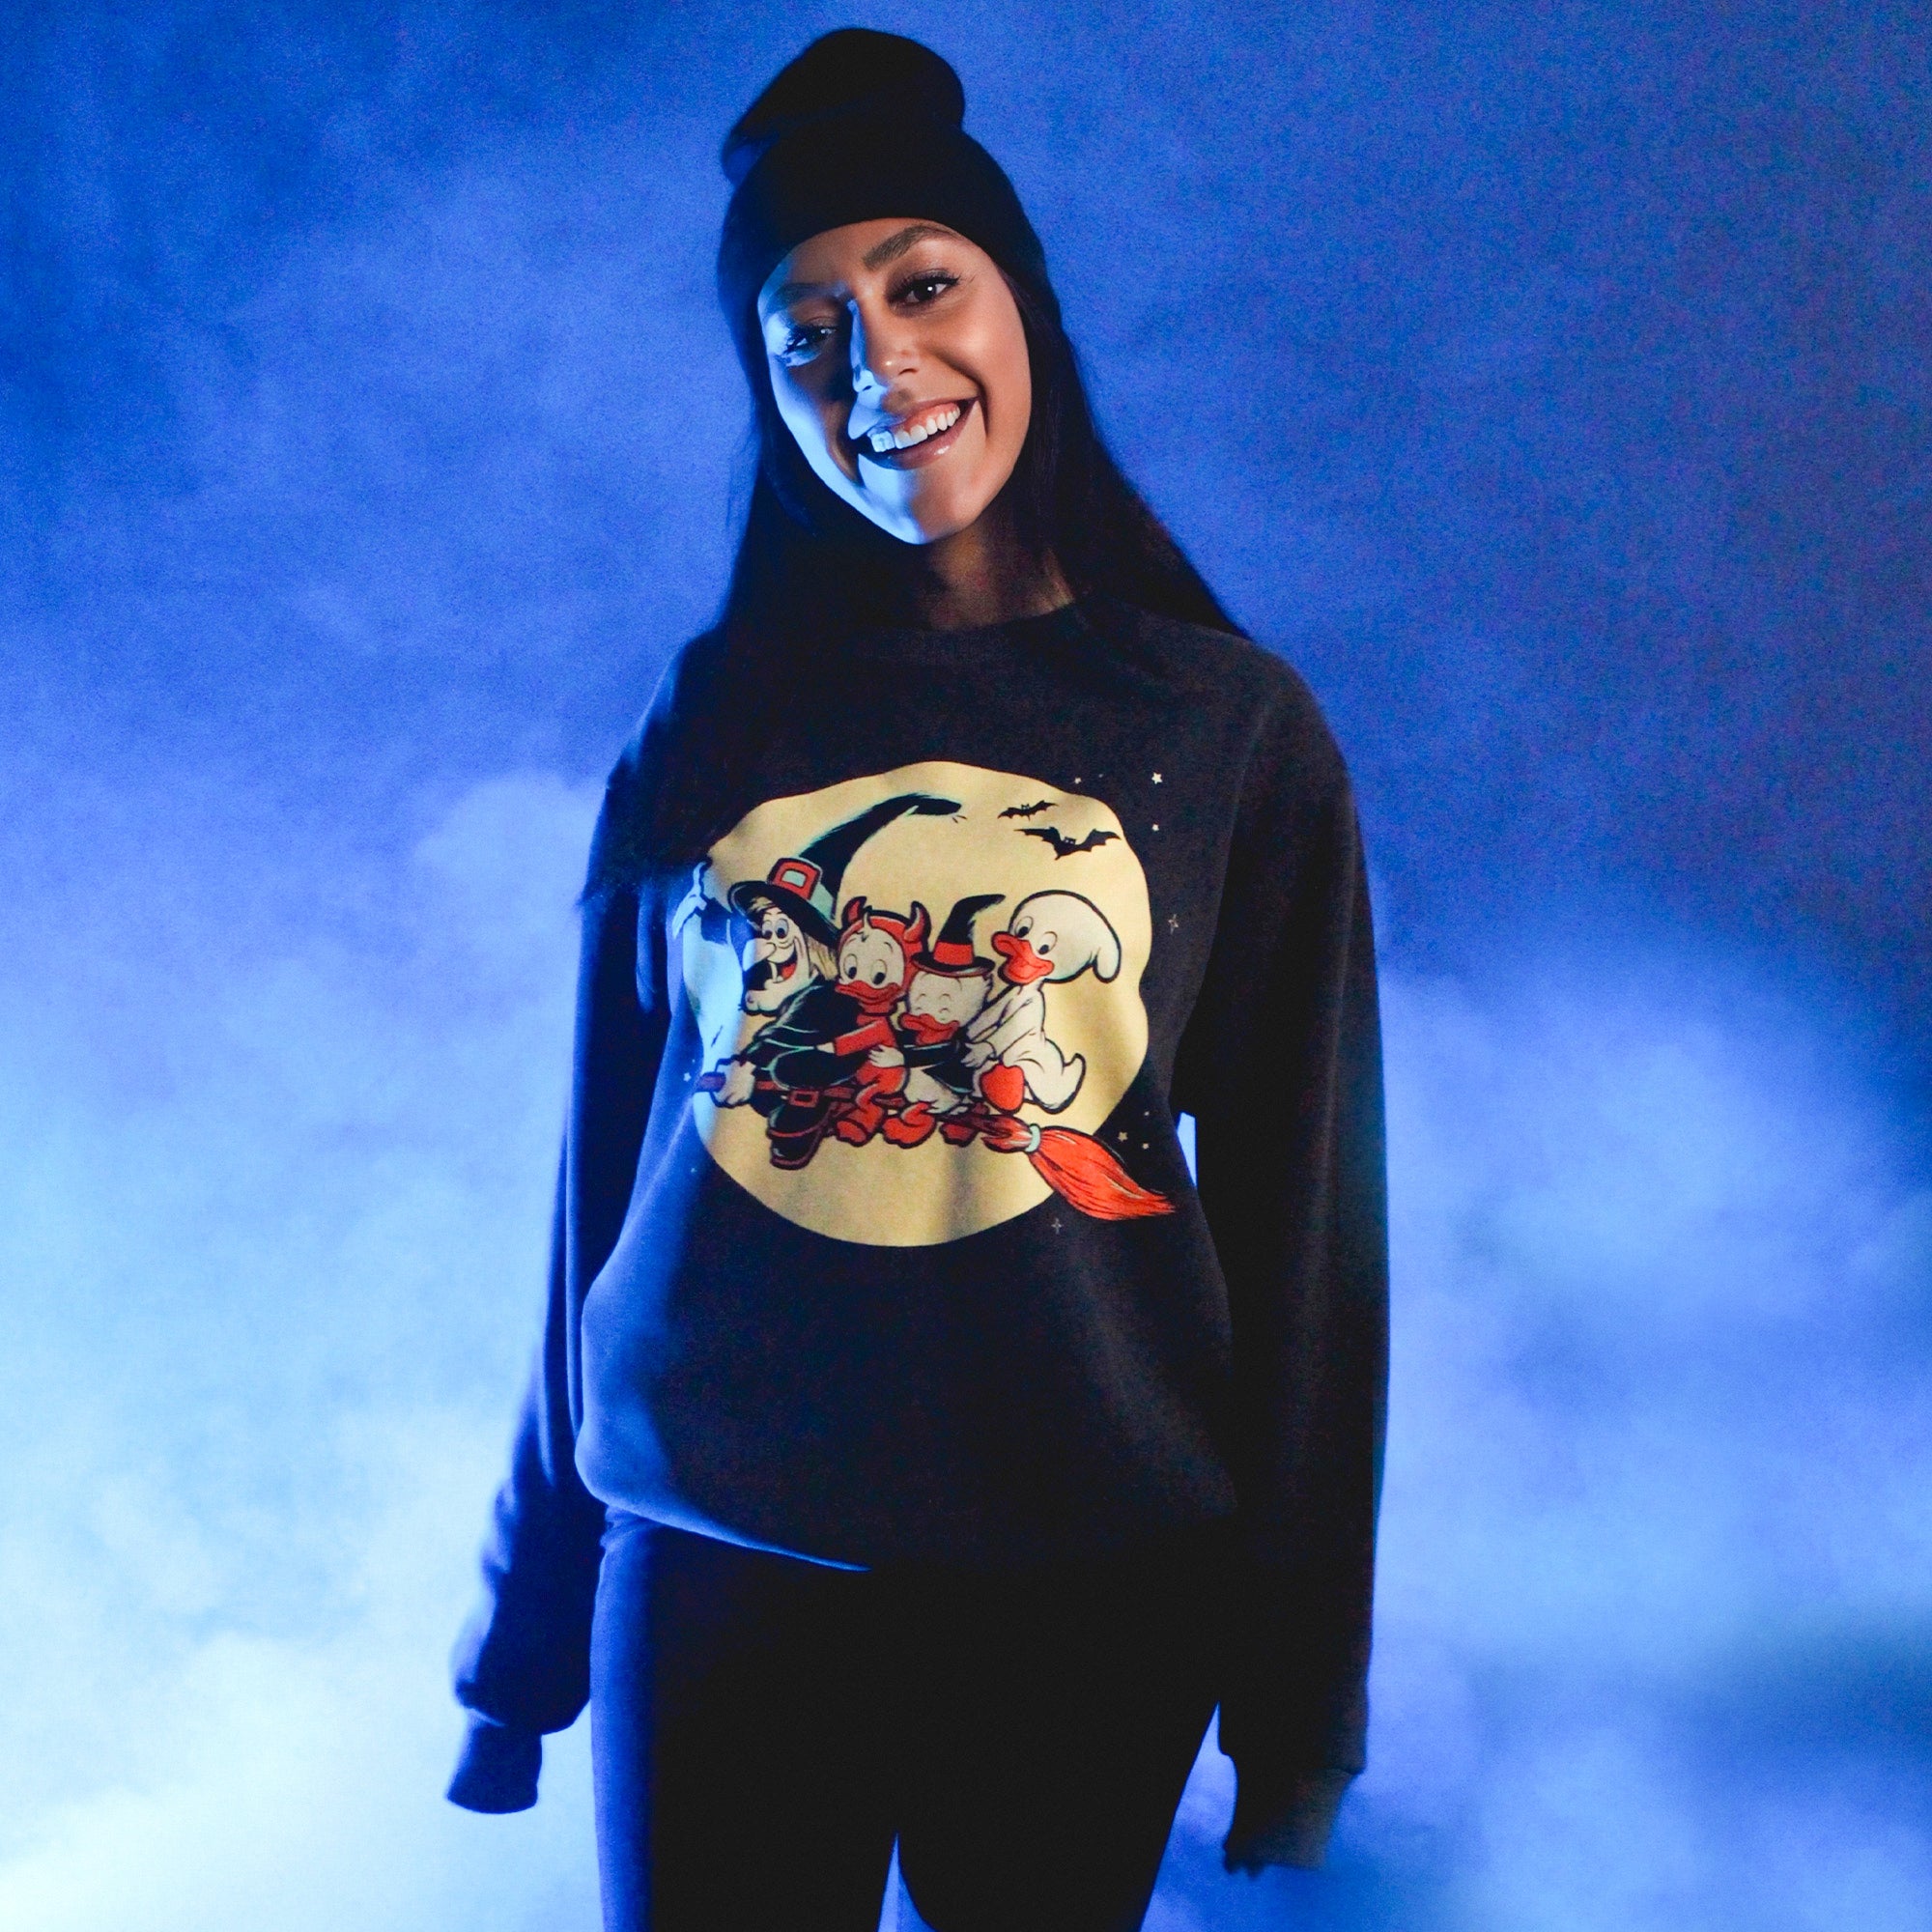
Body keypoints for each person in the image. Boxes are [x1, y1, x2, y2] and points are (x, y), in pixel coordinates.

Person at [444, 28, 1388, 1932]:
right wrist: (524, 1634)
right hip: (716, 1565)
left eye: (922, 286)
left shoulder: (1225, 729)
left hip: (1086, 1590)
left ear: (1020, 302)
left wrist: (1301, 1696)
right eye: (804, 333)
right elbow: (601, 1195)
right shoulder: (715, 715)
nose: (874, 365)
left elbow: (1311, 1247)